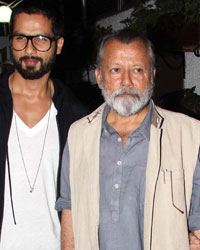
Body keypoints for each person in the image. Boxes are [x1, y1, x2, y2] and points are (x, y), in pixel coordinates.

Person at [56, 29, 200, 250]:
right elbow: (70, 209)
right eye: (115, 70)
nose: (127, 82)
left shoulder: (189, 135)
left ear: (152, 74)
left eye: (137, 70)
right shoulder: (78, 135)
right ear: (99, 76)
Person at [0, 2, 88, 250]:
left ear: (58, 45)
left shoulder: (76, 117)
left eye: (40, 39)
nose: (29, 49)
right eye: (21, 38)